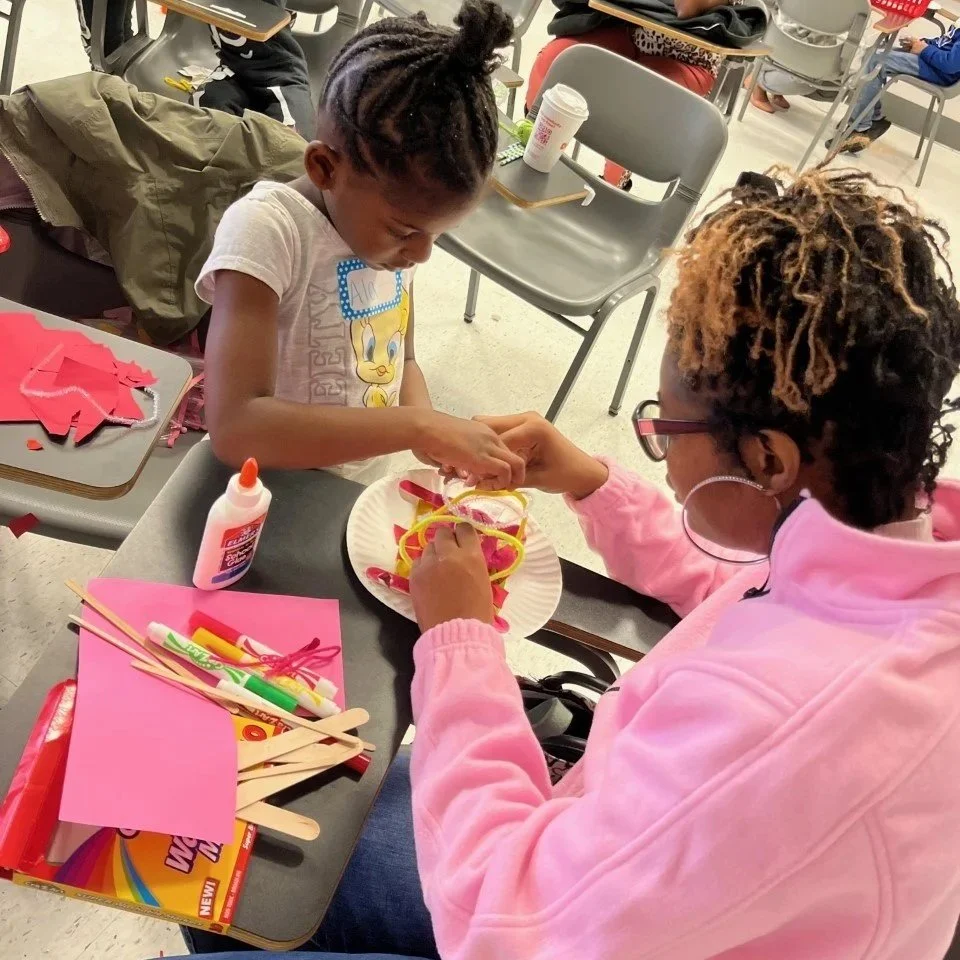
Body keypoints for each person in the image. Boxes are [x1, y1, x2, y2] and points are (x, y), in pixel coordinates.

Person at [168, 167, 960, 960]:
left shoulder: (780, 739)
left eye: (664, 432)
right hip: (608, 863)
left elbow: (503, 921)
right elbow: (746, 583)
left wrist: (459, 640)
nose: (661, 454)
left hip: (529, 910)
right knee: (245, 803)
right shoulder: (898, 560)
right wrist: (592, 480)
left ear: (768, 457)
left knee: (216, 860)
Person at [196, 0, 525, 486]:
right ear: (325, 168)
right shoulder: (267, 231)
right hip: (265, 489)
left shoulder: (390, 239)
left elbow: (402, 361)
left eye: (435, 235)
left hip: (351, 485)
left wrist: (430, 436)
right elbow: (235, 427)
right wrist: (419, 425)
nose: (422, 254)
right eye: (407, 231)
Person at [529, 0, 758, 187]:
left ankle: (612, 186)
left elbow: (687, 9)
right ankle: (532, 143)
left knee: (634, 102)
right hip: (635, 36)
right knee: (557, 57)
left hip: (690, 61)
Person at [833, 25, 960, 152]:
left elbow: (950, 65)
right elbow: (943, 43)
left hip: (940, 73)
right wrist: (921, 43)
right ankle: (872, 120)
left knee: (876, 61)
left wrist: (924, 50)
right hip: (933, 63)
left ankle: (860, 128)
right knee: (871, 53)